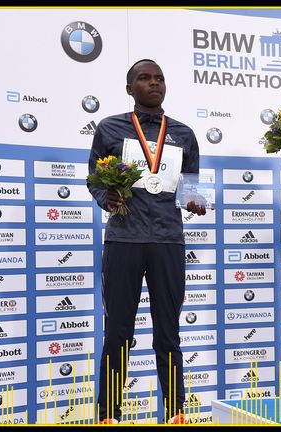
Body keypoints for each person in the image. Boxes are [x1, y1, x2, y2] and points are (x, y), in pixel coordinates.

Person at [87, 59, 206, 424]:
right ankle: (109, 415)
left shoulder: (184, 134)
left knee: (168, 333)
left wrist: (195, 201)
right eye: (144, 78)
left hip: (168, 241)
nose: (153, 83)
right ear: (130, 88)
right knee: (118, 332)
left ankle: (176, 413)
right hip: (124, 239)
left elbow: (191, 187)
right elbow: (95, 178)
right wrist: (105, 196)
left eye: (159, 78)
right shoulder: (110, 128)